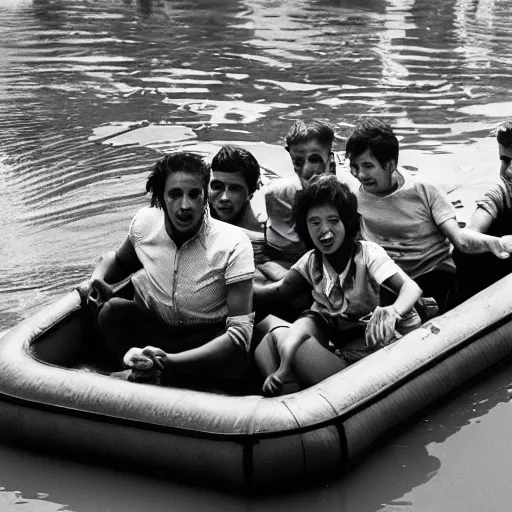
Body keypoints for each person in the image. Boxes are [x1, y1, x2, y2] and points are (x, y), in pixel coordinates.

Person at [84, 152, 255, 388]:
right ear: (161, 198)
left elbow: (240, 336)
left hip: (207, 341)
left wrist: (169, 362)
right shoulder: (145, 224)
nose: (185, 205)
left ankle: (156, 375)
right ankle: (140, 372)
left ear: (205, 196)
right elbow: (120, 261)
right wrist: (98, 278)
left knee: (235, 358)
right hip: (160, 331)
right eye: (175, 194)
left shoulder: (234, 243)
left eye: (194, 194)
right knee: (112, 311)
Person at [254, 175, 422, 396]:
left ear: (347, 222)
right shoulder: (311, 262)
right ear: (305, 227)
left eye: (333, 220)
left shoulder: (366, 254)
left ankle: (287, 381)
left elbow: (411, 288)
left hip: (374, 352)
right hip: (342, 350)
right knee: (266, 336)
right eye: (315, 222)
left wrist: (393, 311)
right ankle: (283, 390)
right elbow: (277, 291)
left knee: (280, 334)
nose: (325, 230)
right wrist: (231, 284)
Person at [345, 118, 512, 313]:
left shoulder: (424, 191)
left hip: (433, 273)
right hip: (390, 279)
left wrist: (496, 243)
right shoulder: (353, 200)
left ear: (390, 165)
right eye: (355, 167)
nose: (361, 175)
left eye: (368, 166)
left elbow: (460, 239)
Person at [263, 119, 336, 275]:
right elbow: (288, 252)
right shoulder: (279, 195)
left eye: (315, 160)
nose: (306, 170)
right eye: (298, 162)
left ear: (331, 159)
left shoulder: (352, 192)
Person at [208, 145, 285, 283]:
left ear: (250, 193)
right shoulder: (199, 196)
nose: (224, 197)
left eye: (235, 189)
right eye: (217, 186)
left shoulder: (264, 222)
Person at [454, 121, 512, 301]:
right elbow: (467, 235)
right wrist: (497, 243)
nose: (509, 171)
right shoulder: (502, 193)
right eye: (505, 160)